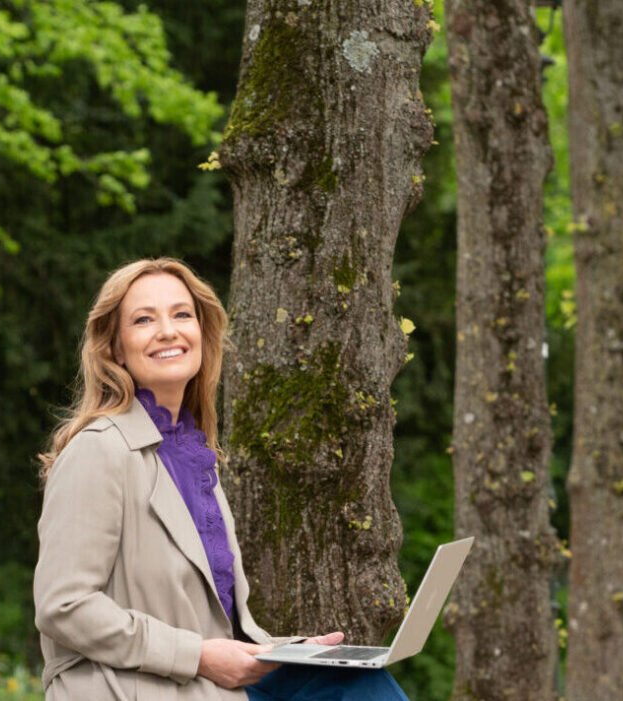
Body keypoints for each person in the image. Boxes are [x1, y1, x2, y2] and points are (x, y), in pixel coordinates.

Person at [33, 258, 409, 700]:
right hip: (137, 688)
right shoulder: (100, 449)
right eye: (143, 320)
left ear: (200, 332)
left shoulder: (195, 455)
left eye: (181, 314)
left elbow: (214, 627)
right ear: (114, 348)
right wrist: (201, 657)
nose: (168, 331)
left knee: (360, 685)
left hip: (207, 686)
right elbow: (64, 607)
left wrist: (289, 654)